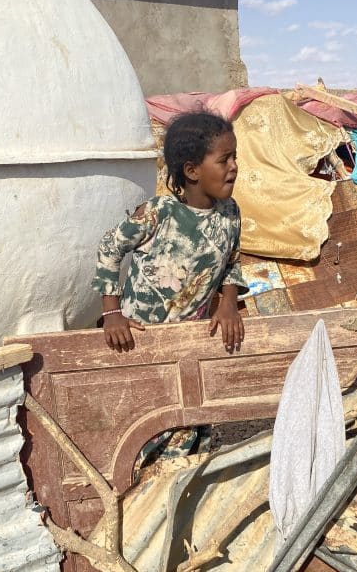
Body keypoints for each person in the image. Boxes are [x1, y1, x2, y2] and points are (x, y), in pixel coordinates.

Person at [92, 110, 248, 463]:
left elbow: (233, 261)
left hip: (191, 341)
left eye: (234, 157)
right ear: (192, 171)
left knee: (193, 422)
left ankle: (184, 488)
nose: (234, 166)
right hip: (139, 341)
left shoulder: (230, 213)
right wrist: (111, 311)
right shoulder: (157, 213)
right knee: (145, 426)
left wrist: (228, 304)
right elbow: (109, 248)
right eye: (224, 159)